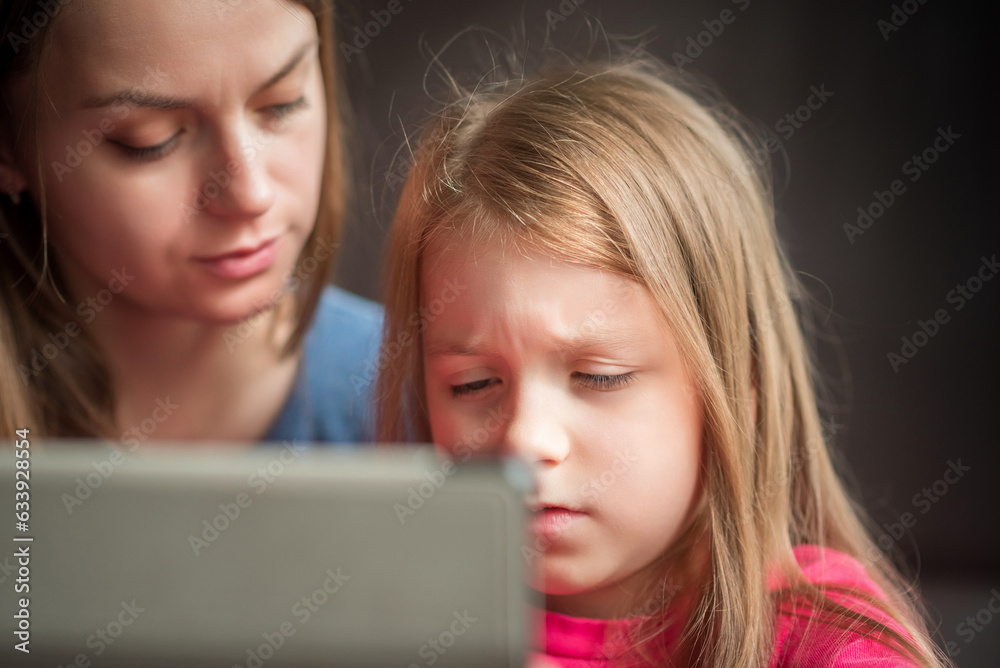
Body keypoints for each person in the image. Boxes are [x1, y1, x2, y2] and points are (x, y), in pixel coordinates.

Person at [376, 54, 953, 667]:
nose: (525, 438)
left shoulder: (831, 642)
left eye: (600, 376)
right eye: (473, 384)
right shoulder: (385, 624)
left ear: (737, 390)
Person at [0, 0, 381, 443]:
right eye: (151, 140)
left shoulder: (425, 397)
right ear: (8, 144)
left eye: (282, 103)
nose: (251, 195)